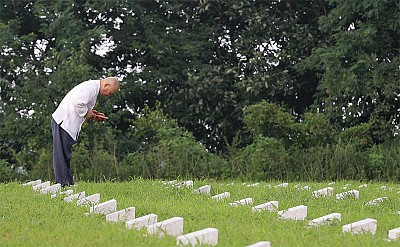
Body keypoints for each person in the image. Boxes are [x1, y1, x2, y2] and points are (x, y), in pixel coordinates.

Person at [51, 77, 119, 187]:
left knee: (65, 153)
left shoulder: (93, 88)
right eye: (110, 92)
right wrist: (88, 113)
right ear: (106, 85)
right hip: (64, 121)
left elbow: (82, 105)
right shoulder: (91, 88)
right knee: (62, 153)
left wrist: (93, 114)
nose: (108, 95)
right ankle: (63, 183)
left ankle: (66, 182)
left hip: (66, 122)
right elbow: (77, 103)